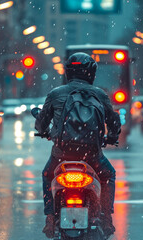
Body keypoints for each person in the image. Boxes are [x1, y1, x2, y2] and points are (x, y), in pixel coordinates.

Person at [35, 52, 121, 238]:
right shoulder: (100, 94)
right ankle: (106, 217)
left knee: (46, 174)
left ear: (68, 72)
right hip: (92, 156)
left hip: (61, 155)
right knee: (109, 175)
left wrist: (45, 131)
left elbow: (41, 123)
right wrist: (112, 137)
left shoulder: (55, 93)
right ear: (91, 73)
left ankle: (50, 217)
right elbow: (114, 122)